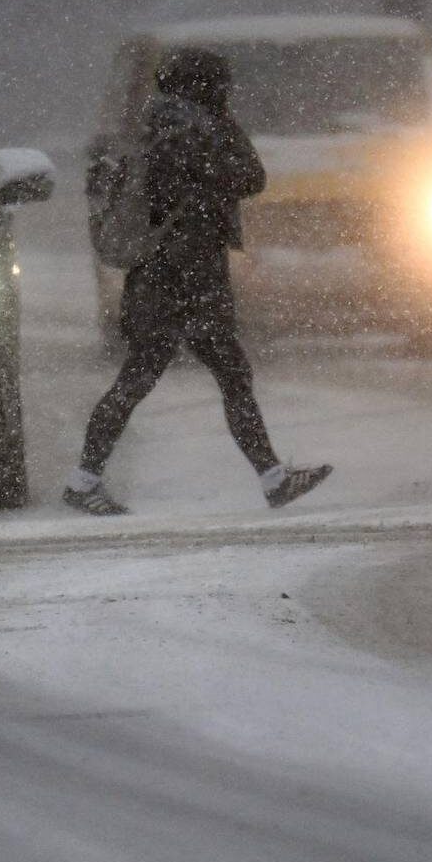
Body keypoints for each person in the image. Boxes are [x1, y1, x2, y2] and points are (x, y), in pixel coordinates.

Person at [64, 49, 332, 517]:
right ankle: (272, 481)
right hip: (187, 275)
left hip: (156, 273)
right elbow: (251, 177)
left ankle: (85, 480)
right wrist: (225, 123)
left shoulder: (151, 126)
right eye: (221, 87)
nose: (226, 95)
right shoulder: (194, 130)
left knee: (147, 376)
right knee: (216, 376)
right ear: (203, 87)